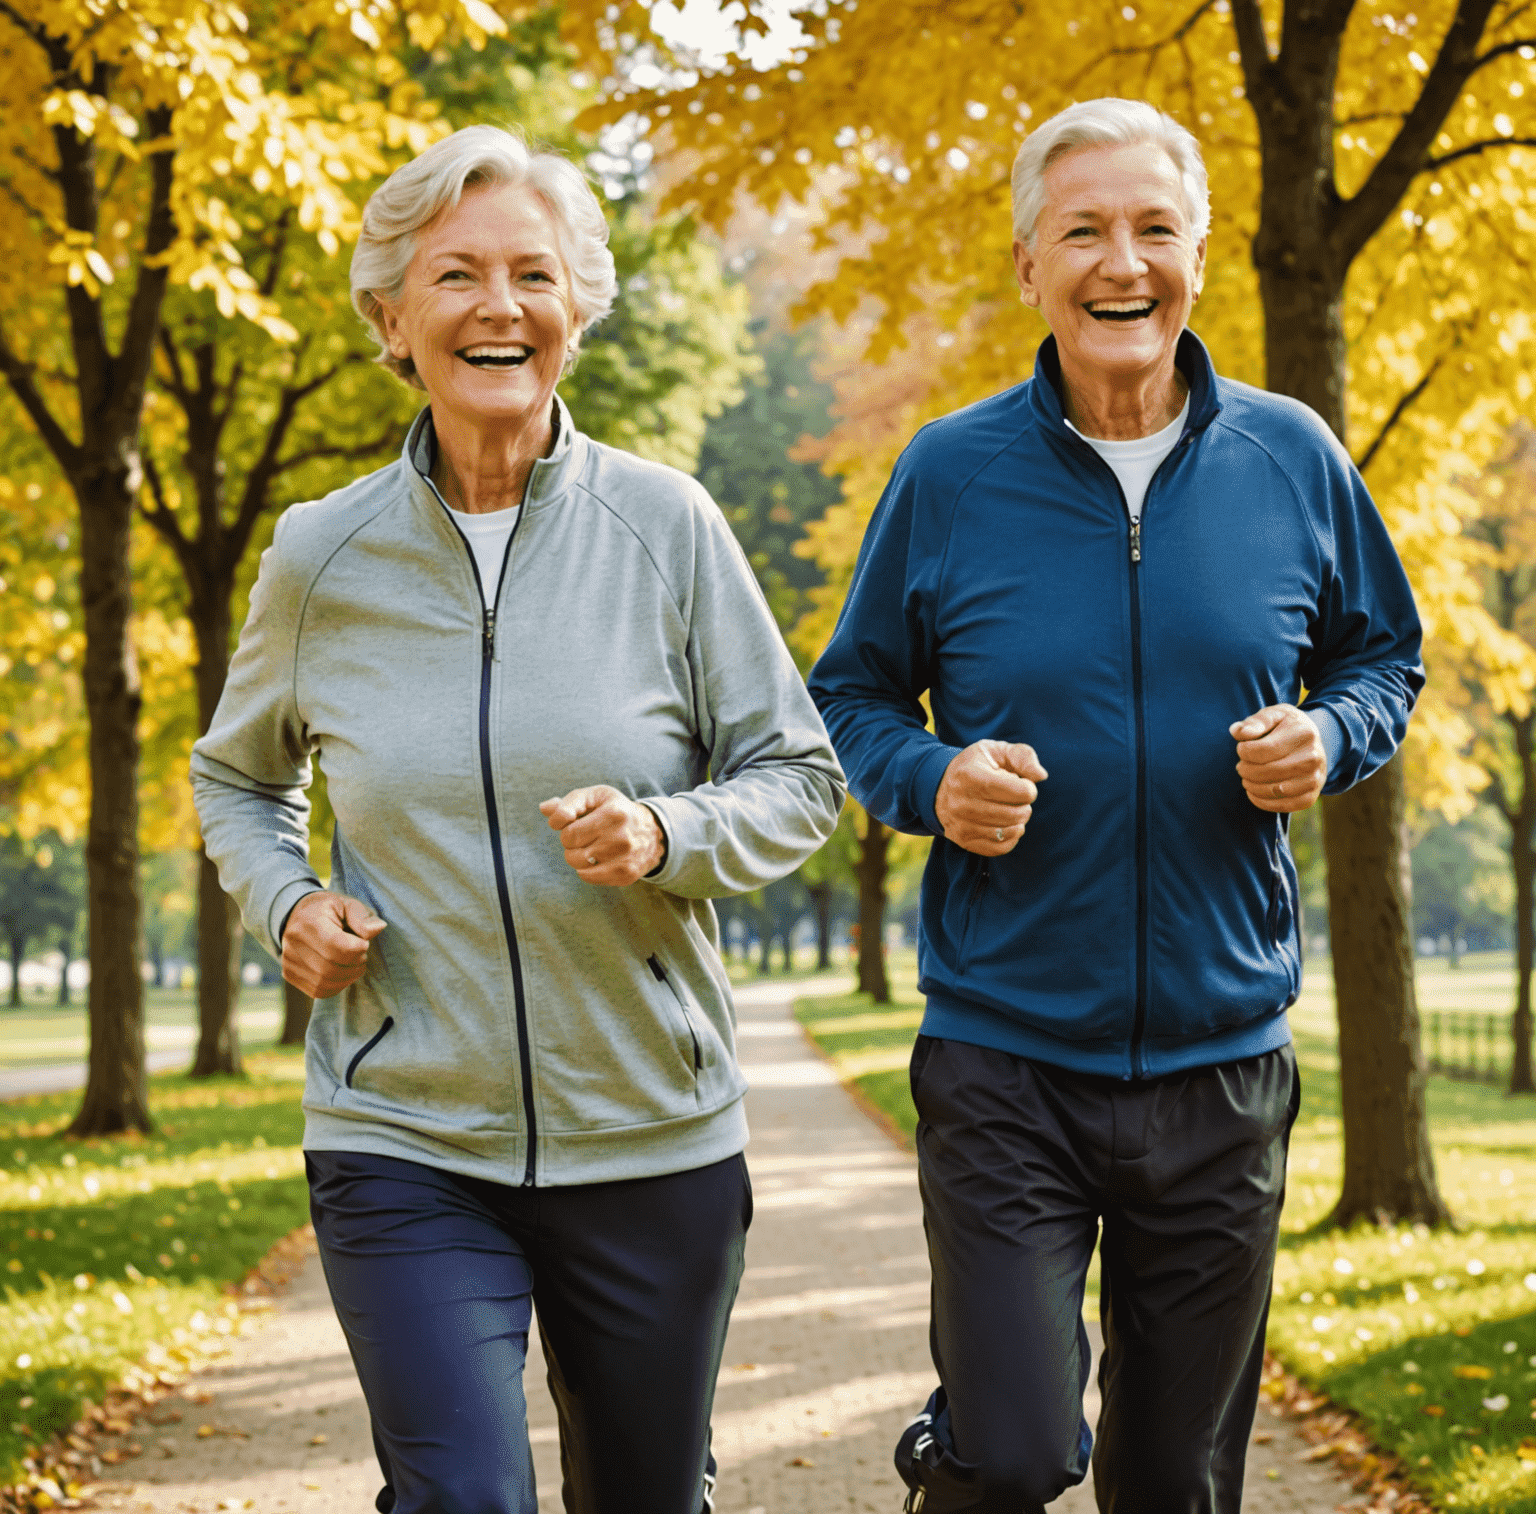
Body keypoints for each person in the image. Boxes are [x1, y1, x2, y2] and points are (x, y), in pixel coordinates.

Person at [191, 124, 844, 1514]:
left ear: (577, 310)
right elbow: (238, 779)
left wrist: (671, 835)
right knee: (463, 1501)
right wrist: (289, 904)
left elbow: (800, 775)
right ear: (393, 318)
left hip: (650, 1132)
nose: (500, 307)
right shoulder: (323, 551)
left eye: (533, 274)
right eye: (458, 275)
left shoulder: (666, 528)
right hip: (405, 1134)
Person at [806, 98, 1424, 1514]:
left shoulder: (1295, 459)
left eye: (1154, 228)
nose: (1121, 261)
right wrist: (931, 780)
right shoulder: (949, 474)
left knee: (1175, 1480)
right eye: (1084, 230)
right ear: (1030, 265)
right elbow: (850, 700)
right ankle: (954, 1457)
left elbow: (1384, 655)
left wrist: (1331, 735)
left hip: (1223, 1059)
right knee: (1017, 1449)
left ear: (1197, 254)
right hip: (1006, 1052)